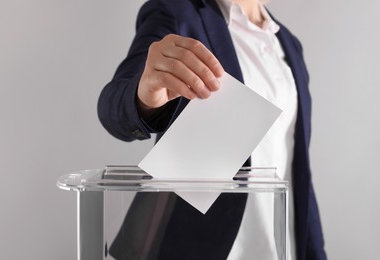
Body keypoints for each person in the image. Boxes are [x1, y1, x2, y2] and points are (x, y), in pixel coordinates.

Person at [98, 0, 327, 259]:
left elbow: (297, 169)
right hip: (198, 246)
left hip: (279, 248)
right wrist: (144, 95)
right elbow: (113, 105)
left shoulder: (288, 42)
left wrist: (314, 251)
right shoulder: (176, 12)